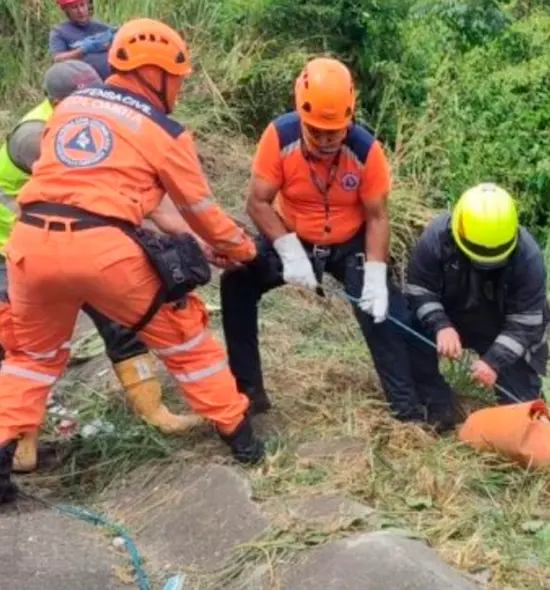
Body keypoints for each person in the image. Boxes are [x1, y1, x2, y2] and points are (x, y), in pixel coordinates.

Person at [0, 17, 266, 504]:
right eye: (179, 79)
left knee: (29, 359)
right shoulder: (163, 129)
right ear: (158, 74)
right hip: (103, 251)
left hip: (31, 244)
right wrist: (242, 250)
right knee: (185, 336)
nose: (181, 89)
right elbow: (199, 210)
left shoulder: (70, 106)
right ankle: (242, 439)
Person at [220, 57, 448, 426]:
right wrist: (288, 251)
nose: (326, 140)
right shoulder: (279, 138)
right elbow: (257, 202)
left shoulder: (366, 151)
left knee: (385, 313)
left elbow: (377, 216)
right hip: (292, 234)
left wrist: (375, 275)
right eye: (316, 132)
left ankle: (408, 410)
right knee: (236, 282)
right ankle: (249, 392)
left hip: (349, 242)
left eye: (334, 132)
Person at [0, 61, 203, 473]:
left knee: (123, 323)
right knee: (23, 349)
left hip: (69, 243)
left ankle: (154, 412)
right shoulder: (35, 136)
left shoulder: (83, 122)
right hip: (15, 254)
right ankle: (20, 446)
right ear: (55, 102)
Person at [404, 183, 550, 421]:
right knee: (410, 326)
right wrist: (440, 324)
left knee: (522, 411)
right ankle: (436, 408)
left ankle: (529, 420)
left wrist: (494, 360)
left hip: (502, 326)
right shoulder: (436, 237)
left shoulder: (528, 257)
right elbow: (419, 289)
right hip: (450, 315)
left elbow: (526, 323)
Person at [48, 0, 115, 81]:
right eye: (74, 7)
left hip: (113, 80)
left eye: (82, 5)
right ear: (65, 9)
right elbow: (58, 59)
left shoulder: (101, 27)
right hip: (84, 84)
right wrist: (83, 50)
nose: (80, 11)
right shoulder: (59, 32)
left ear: (87, 4)